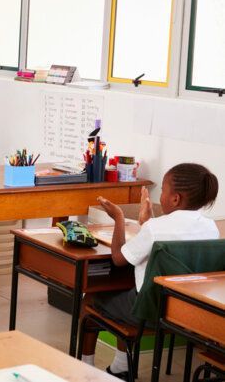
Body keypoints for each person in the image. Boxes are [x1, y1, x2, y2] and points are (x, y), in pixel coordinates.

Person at [80, 163, 219, 380]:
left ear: (176, 199)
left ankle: (84, 369)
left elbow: (118, 259)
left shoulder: (156, 228)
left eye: (163, 190)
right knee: (126, 288)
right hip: (187, 313)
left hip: (150, 311)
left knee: (88, 300)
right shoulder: (211, 228)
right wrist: (148, 223)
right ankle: (120, 368)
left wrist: (118, 218)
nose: (160, 194)